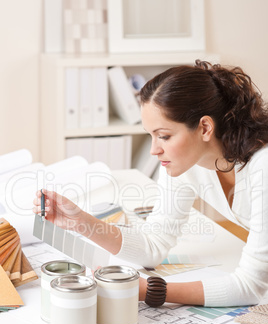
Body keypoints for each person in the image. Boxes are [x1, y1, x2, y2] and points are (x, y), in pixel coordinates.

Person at [33, 60, 268, 308]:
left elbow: (251, 286)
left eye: (164, 136)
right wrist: (80, 222)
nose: (154, 150)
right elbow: (153, 244)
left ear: (205, 127)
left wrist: (151, 291)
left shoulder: (262, 167)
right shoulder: (184, 163)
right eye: (151, 135)